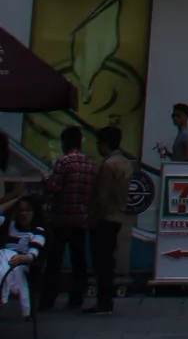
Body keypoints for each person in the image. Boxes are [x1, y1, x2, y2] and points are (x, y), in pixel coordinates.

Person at [38, 125, 95, 311]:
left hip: (61, 218)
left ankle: (47, 300)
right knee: (79, 261)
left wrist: (45, 177)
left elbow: (53, 187)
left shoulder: (63, 162)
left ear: (65, 142)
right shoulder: (89, 163)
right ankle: (76, 298)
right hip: (80, 219)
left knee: (54, 260)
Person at [90, 123, 133, 315]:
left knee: (102, 261)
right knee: (109, 259)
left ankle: (103, 301)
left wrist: (92, 218)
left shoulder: (108, 165)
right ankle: (106, 300)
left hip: (105, 217)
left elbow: (102, 196)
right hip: (119, 215)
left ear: (105, 144)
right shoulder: (126, 163)